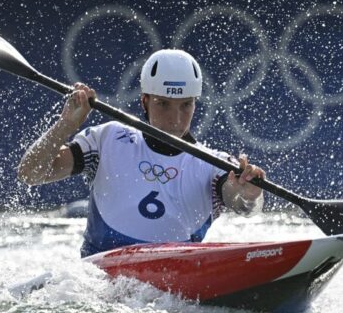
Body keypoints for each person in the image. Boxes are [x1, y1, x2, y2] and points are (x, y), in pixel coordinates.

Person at [18, 49, 266, 257]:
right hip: (98, 280)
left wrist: (249, 192)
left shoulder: (214, 164)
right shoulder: (107, 139)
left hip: (175, 286)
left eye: (186, 105)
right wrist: (66, 125)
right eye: (163, 104)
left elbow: (243, 206)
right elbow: (31, 173)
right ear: (145, 101)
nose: (175, 120)